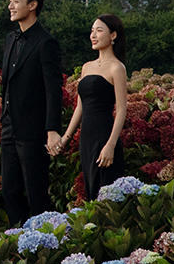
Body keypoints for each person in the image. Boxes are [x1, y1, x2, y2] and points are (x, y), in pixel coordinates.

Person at [0, 0, 63, 226]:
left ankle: (45, 242)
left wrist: (52, 129)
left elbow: (53, 90)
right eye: (11, 1)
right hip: (9, 126)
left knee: (36, 191)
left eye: (16, 1)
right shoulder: (10, 39)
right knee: (9, 190)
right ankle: (19, 238)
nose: (10, 6)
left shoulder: (46, 43)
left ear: (32, 5)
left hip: (34, 130)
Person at [53, 14, 129, 203]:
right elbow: (80, 107)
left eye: (99, 30)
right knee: (91, 192)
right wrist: (65, 139)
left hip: (105, 135)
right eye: (92, 31)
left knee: (107, 194)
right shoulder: (87, 67)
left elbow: (121, 109)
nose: (93, 35)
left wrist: (110, 145)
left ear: (113, 35)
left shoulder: (117, 68)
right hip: (86, 138)